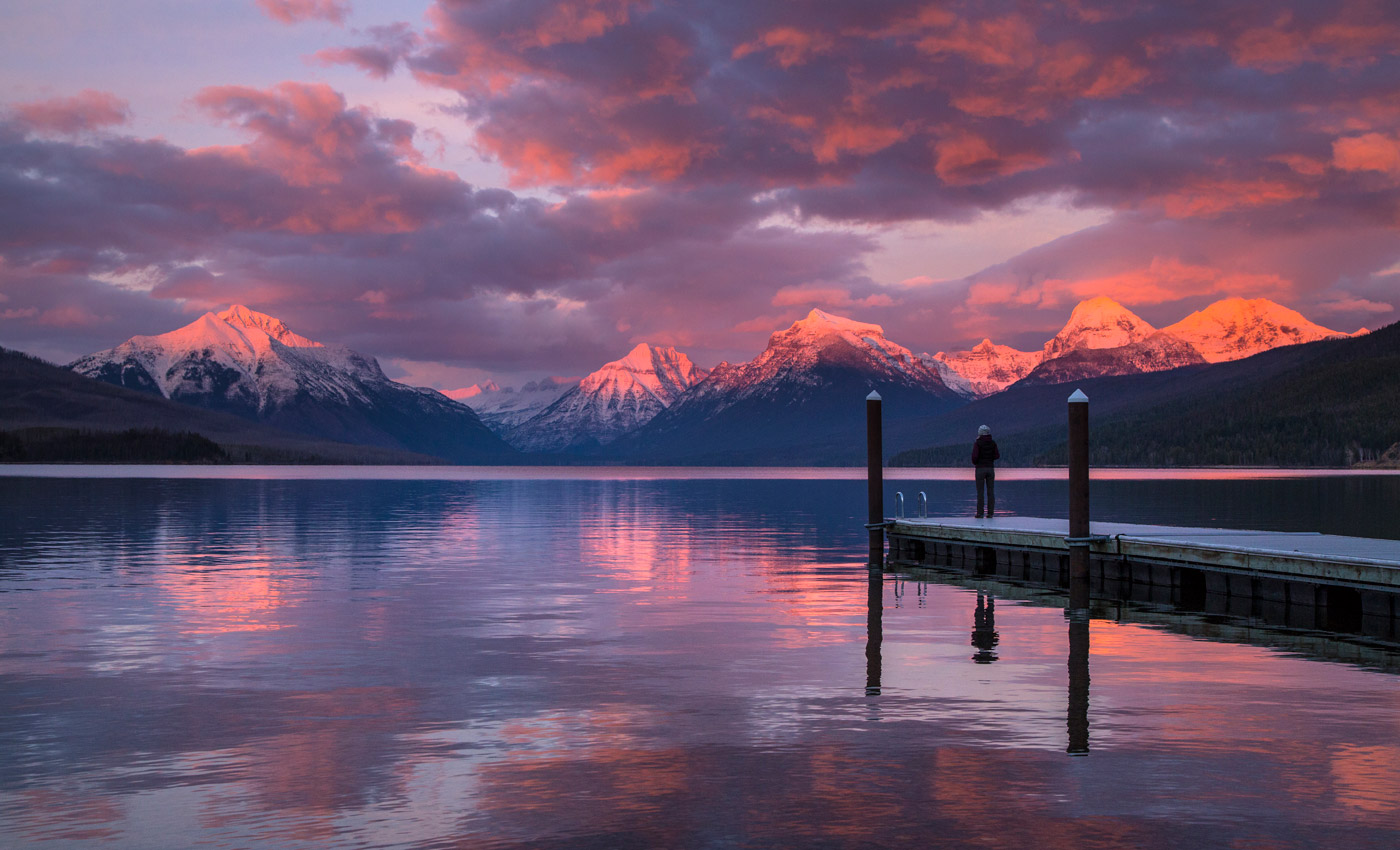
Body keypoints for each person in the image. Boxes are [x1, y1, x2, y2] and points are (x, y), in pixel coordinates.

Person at [972, 424, 999, 518]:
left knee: (980, 492)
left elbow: (974, 457)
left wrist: (977, 462)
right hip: (990, 469)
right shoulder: (993, 443)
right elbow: (997, 456)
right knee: (990, 491)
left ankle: (980, 513)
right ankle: (990, 513)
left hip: (980, 469)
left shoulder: (978, 443)